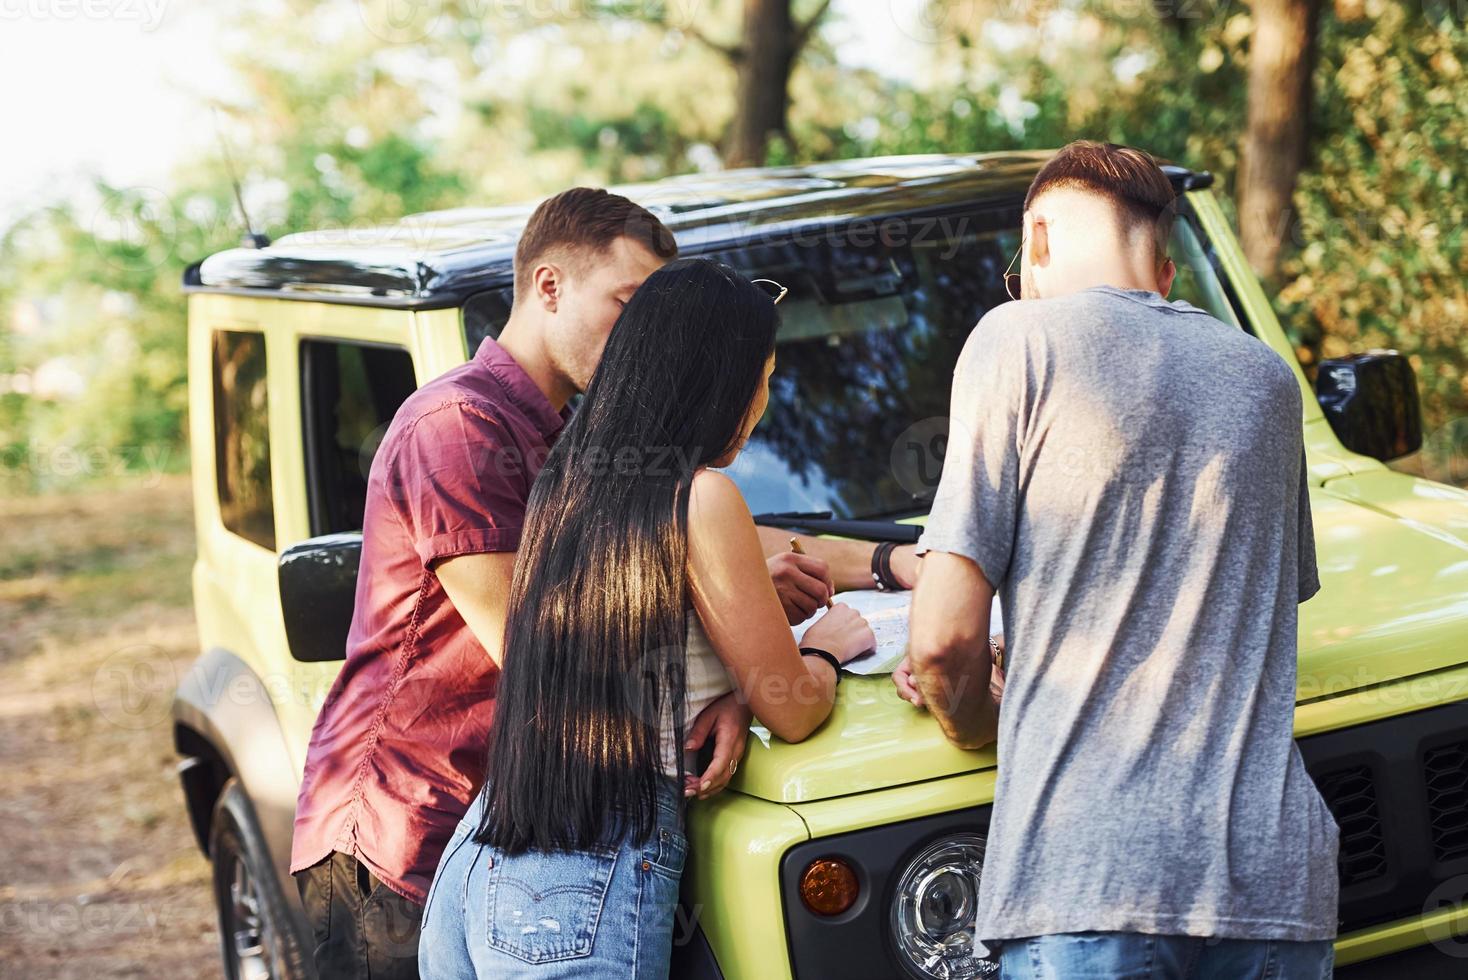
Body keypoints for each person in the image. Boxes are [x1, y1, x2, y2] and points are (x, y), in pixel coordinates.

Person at [291, 188, 912, 979]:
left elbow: (684, 538)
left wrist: (881, 564)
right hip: (412, 827)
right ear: (548, 287)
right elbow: (545, 649)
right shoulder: (458, 429)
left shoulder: (580, 451)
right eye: (627, 301)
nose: (639, 332)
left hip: (517, 821)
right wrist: (757, 660)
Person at [894, 141, 1338, 978]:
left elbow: (942, 641)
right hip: (1276, 885)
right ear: (1166, 271)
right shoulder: (1267, 378)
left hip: (1092, 881)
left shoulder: (1015, 339)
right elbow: (1239, 605)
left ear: (1040, 239)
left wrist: (982, 716)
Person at [418, 259, 875, 979]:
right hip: (586, 877)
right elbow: (796, 713)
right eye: (764, 377)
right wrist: (823, 649)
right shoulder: (702, 496)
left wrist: (728, 687)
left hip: (484, 857)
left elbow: (629, 640)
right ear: (720, 381)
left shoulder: (571, 483)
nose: (762, 404)